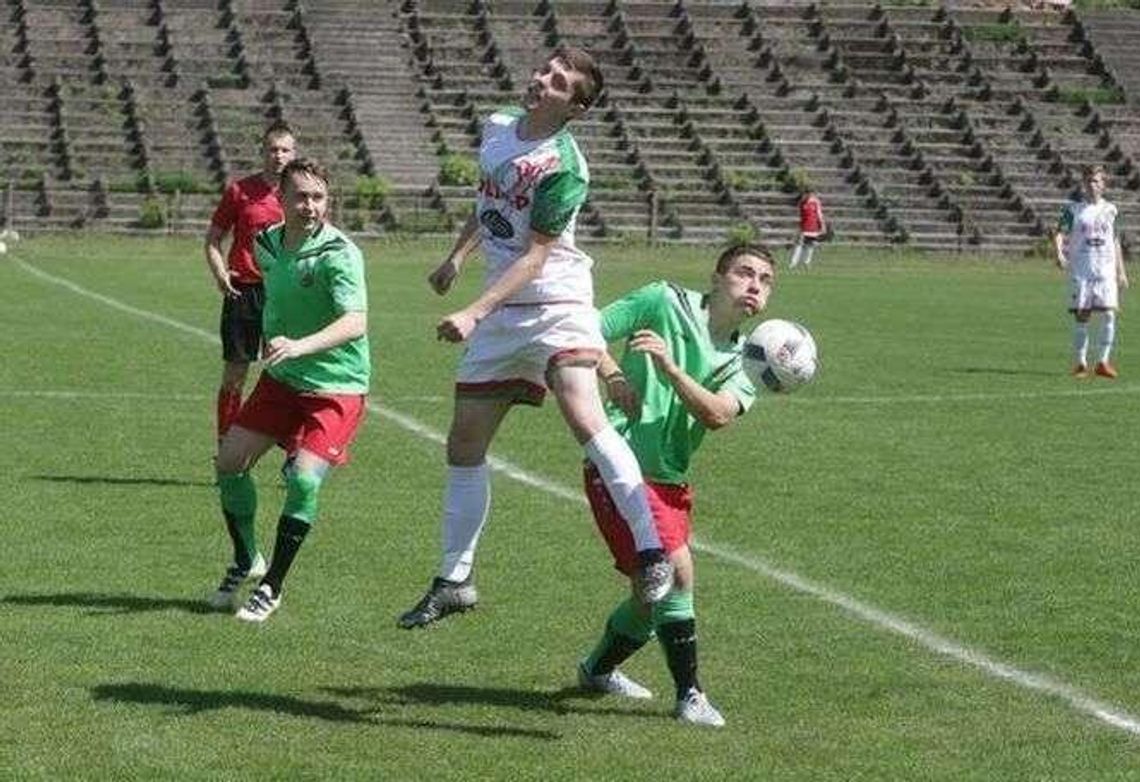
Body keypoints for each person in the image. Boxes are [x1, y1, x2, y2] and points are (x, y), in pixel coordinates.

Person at [397, 46, 673, 629]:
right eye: (545, 70)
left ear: (576, 107)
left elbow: (537, 256)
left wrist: (473, 311)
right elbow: (488, 201)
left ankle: (651, 552)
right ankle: (455, 578)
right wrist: (454, 258)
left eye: (557, 81)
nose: (540, 80)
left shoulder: (563, 166)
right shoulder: (498, 127)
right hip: (502, 311)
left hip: (556, 303)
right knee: (463, 445)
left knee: (583, 415)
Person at [575, 243, 776, 728]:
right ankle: (690, 696)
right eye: (745, 273)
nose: (754, 285)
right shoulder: (663, 300)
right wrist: (614, 374)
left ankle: (596, 669)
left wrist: (670, 369)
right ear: (717, 276)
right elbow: (583, 330)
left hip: (669, 479)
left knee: (649, 599)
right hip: (619, 464)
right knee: (677, 575)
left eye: (766, 280)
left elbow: (717, 414)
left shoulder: (748, 362)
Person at [207, 158, 370, 623]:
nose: (310, 206)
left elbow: (356, 322)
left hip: (337, 385)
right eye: (300, 196)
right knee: (229, 463)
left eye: (318, 197)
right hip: (283, 380)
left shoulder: (339, 253)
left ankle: (272, 585)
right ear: (279, 199)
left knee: (302, 478)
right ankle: (246, 560)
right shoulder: (267, 244)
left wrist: (300, 345)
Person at [205, 120, 297, 442]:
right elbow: (213, 239)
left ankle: (295, 452)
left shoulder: (302, 196)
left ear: (293, 154)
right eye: (273, 149)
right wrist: (220, 274)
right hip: (243, 291)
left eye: (285, 150)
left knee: (292, 375)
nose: (279, 156)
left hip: (286, 295)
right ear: (263, 152)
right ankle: (226, 445)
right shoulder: (240, 191)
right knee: (234, 376)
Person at [1054, 164, 1129, 378]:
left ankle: (1103, 362)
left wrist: (1121, 272)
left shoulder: (1111, 210)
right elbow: (1059, 233)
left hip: (1105, 270)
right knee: (1083, 316)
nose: (1091, 184)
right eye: (1088, 180)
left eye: (1096, 181)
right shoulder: (1074, 209)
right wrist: (1059, 253)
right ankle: (1080, 364)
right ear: (1084, 183)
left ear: (1103, 185)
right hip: (1082, 270)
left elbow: (1115, 242)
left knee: (1108, 314)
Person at [788, 189, 826, 269]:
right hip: (804, 227)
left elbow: (819, 214)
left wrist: (822, 226)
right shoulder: (802, 203)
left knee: (810, 245)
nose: (809, 196)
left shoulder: (816, 202)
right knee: (799, 245)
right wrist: (799, 227)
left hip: (813, 227)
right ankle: (793, 263)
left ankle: (806, 262)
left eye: (811, 194)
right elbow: (801, 215)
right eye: (808, 194)